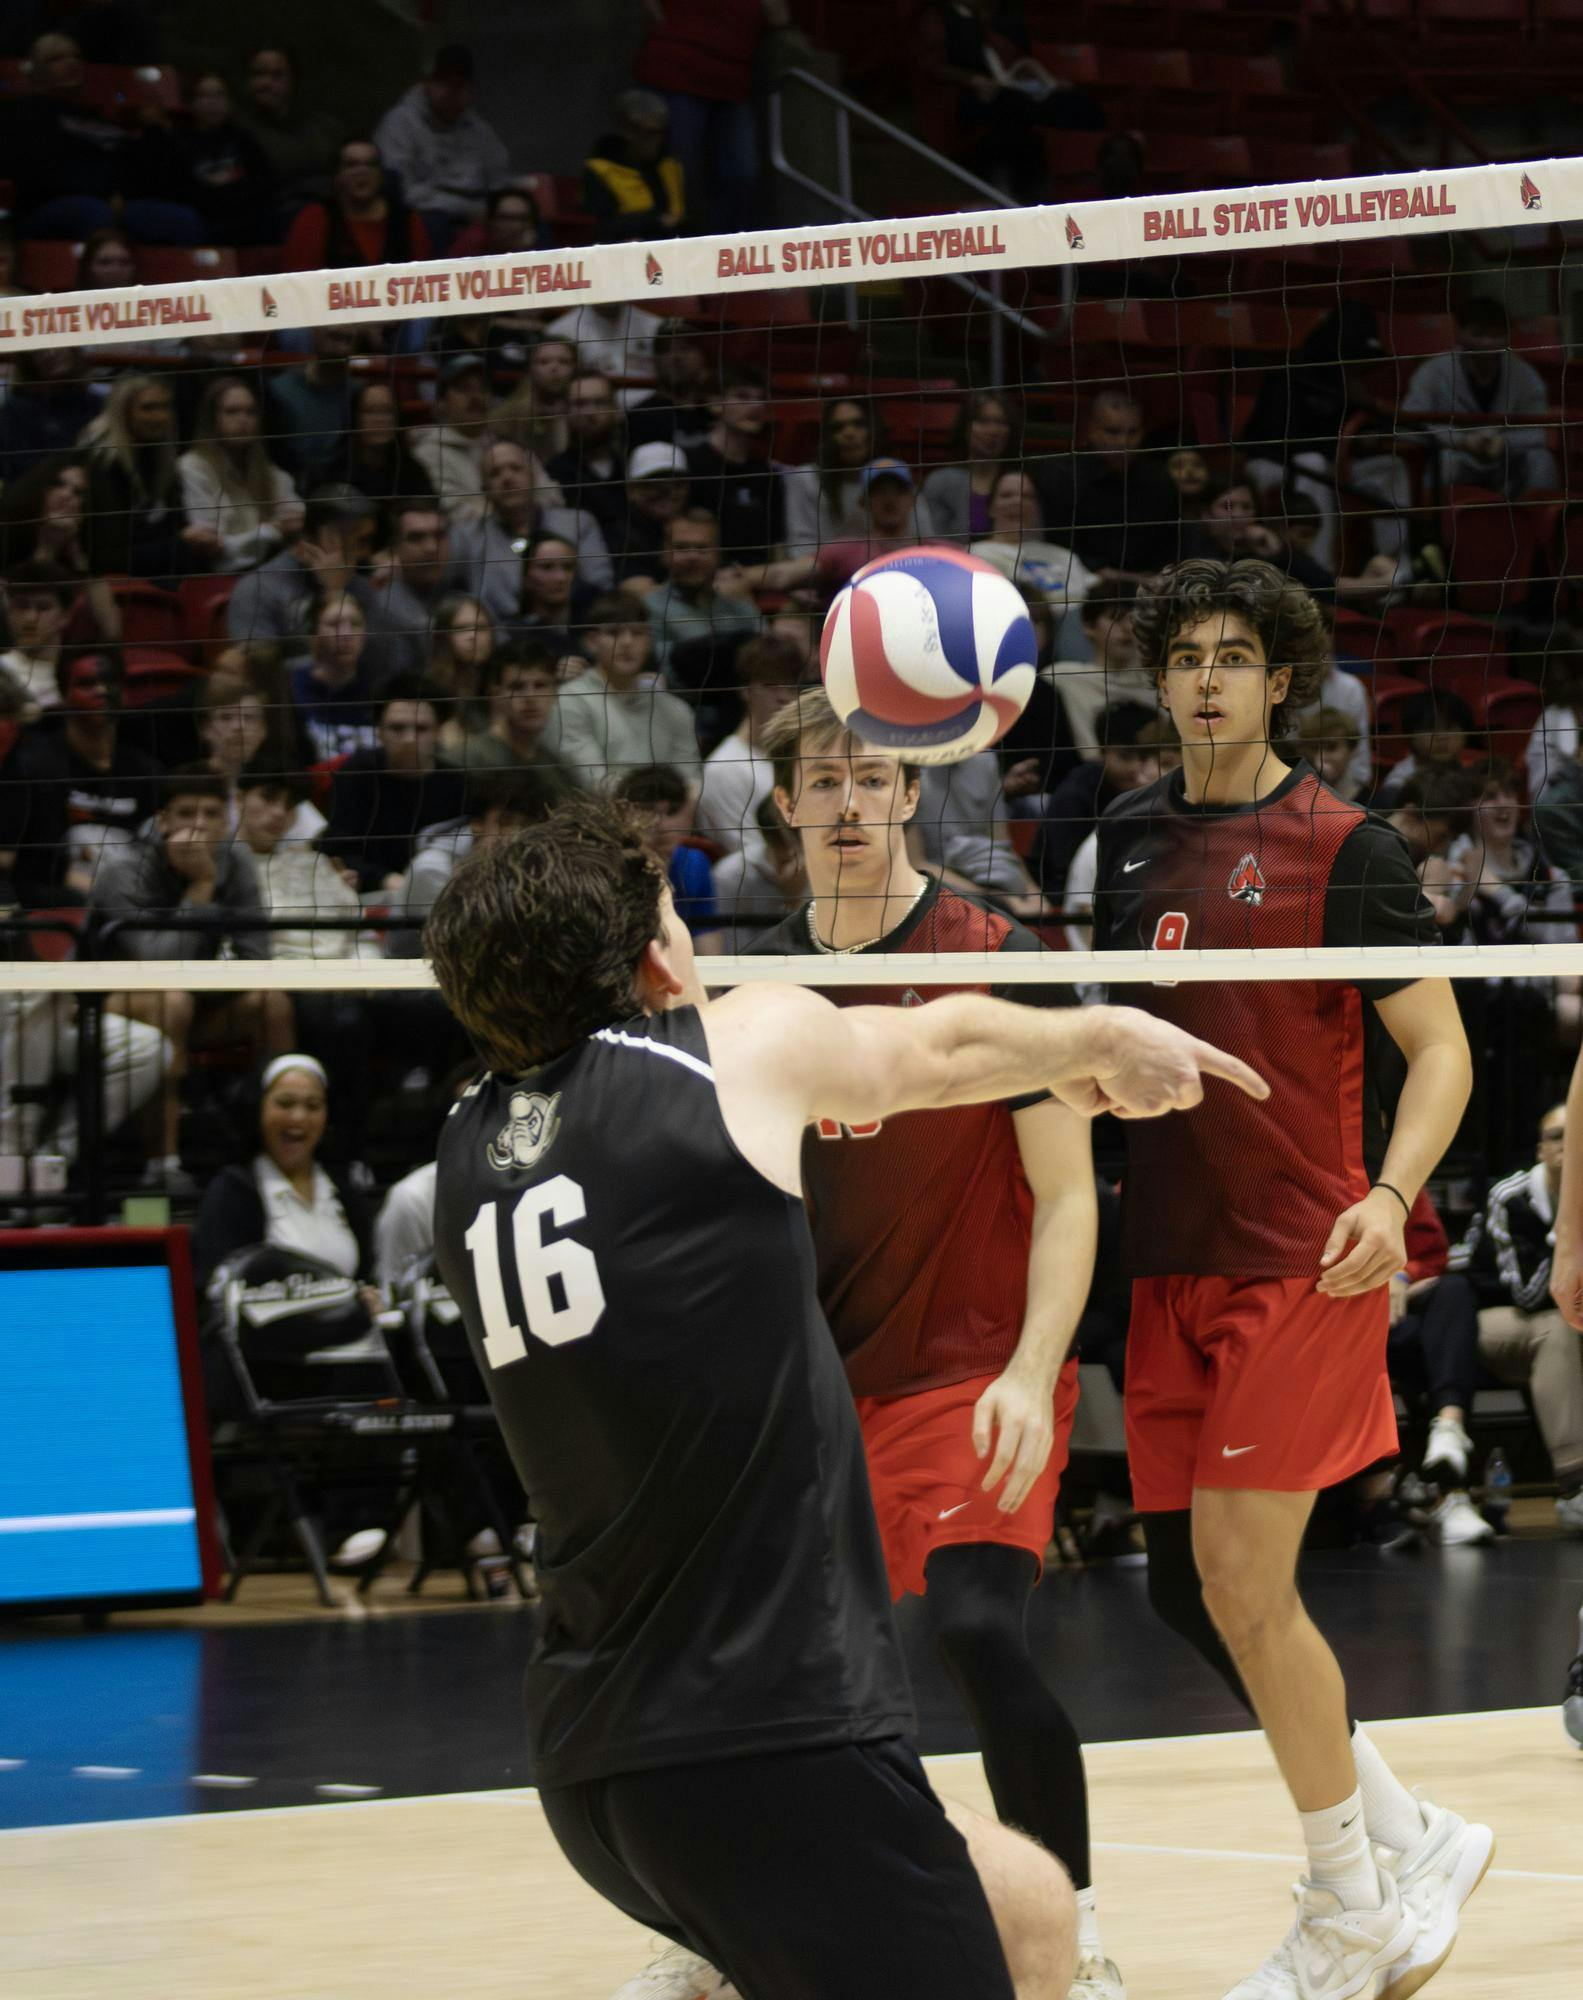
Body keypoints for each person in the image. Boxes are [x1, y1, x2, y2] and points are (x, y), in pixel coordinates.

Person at [426, 790, 1260, 2000]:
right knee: (999, 1941)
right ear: (657, 962)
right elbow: (935, 1049)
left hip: (587, 1749)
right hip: (765, 1736)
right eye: (679, 922)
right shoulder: (727, 1049)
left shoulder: (463, 1151)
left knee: (1025, 1906)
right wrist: (1100, 1035)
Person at [1090, 556, 1488, 2000]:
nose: (1206, 678)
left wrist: (1389, 1197)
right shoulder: (1122, 840)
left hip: (1294, 1259)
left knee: (1243, 1582)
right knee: (1182, 1593)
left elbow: (1439, 1052)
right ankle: (1411, 1835)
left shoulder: (1342, 844)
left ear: (1279, 680)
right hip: (1163, 1257)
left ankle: (1351, 1906)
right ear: (1159, 678)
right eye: (1185, 655)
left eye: (1233, 656)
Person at [733, 682, 1119, 1996]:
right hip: (827, 1389)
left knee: (973, 1627)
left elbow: (1066, 1195)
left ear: (909, 793)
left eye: (870, 777)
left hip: (976, 1369)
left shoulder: (991, 952)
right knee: (774, 1680)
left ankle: (1076, 1939)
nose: (847, 801)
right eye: (821, 781)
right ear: (785, 806)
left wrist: (1029, 1370)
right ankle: (739, 1938)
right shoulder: (758, 992)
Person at [91, 765, 292, 1189]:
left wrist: (218, 982)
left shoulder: (236, 860)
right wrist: (201, 887)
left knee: (270, 1002)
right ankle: (162, 1163)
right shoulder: (123, 868)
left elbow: (257, 956)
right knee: (171, 1000)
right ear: (163, 820)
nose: (197, 826)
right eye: (185, 814)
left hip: (196, 999)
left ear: (228, 820)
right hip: (108, 1006)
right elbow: (157, 962)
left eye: (211, 814)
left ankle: (276, 1154)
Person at [1450, 1102, 1583, 1536]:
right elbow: (1527, 1295)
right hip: (1489, 1315)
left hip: (1565, 1314)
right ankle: (1575, 1486)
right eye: (1557, 1136)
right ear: (1541, 1149)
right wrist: (1565, 1233)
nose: (1567, 1144)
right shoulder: (1511, 1196)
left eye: (1576, 1134)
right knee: (1556, 1330)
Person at [192, 1052, 377, 1293]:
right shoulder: (233, 1191)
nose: (298, 1117)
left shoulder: (343, 1190)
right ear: (258, 1108)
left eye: (313, 1106)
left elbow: (365, 1278)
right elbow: (215, 1291)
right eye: (285, 1103)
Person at [0, 29, 203, 244]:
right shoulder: (22, 114)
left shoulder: (99, 119)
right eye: (55, 59)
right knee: (93, 212)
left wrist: (154, 129)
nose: (71, 63)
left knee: (183, 220)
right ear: (36, 70)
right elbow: (41, 172)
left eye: (76, 56)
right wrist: (107, 192)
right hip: (50, 206)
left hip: (112, 202)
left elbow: (134, 166)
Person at [0, 652, 163, 910]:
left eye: (110, 682)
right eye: (87, 684)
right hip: (52, 903)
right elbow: (15, 862)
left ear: (124, 692)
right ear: (64, 695)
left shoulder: (146, 770)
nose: (101, 691)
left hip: (130, 901)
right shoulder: (31, 766)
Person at [319, 675, 467, 893]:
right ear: (379, 730)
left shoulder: (458, 784)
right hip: (371, 895)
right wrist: (383, 879)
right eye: (398, 728)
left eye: (421, 729)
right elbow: (337, 851)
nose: (409, 739)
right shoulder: (355, 774)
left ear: (438, 732)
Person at [1402, 296, 1560, 500]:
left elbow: (1538, 431)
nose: (1487, 343)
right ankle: (1436, 520)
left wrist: (1504, 443)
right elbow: (1410, 427)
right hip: (1455, 454)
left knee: (1541, 461)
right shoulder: (1432, 371)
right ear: (1460, 334)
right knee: (1444, 465)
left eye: (1496, 335)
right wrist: (1462, 441)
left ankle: (1539, 519)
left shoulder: (1525, 374)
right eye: (1479, 334)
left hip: (1507, 458)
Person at [450, 439, 608, 627]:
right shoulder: (467, 538)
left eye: (516, 468)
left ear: (533, 476)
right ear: (484, 488)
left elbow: (601, 588)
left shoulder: (578, 524)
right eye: (495, 473)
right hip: (499, 638)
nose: (507, 479)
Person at [81, 374, 220, 581]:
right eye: (148, 408)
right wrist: (182, 542)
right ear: (123, 413)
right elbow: (108, 558)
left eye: (165, 407)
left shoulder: (160, 460)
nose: (160, 417)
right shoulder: (102, 466)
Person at [557, 590, 700, 790]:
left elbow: (691, 783)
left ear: (649, 640)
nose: (627, 642)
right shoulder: (570, 700)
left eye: (637, 633)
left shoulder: (676, 710)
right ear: (592, 642)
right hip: (601, 810)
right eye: (614, 633)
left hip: (668, 808)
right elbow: (594, 782)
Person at [374, 44, 508, 254]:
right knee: (431, 224)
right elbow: (401, 191)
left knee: (521, 221)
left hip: (478, 217)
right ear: (427, 83)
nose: (452, 92)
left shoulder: (479, 129)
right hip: (425, 215)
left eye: (460, 85)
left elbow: (499, 183)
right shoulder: (400, 123)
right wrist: (465, 208)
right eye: (444, 83)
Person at [1034, 392, 1183, 578]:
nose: (1123, 442)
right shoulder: (1061, 478)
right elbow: (1057, 548)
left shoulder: (1159, 480)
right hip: (1079, 582)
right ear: (1091, 430)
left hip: (1152, 584)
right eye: (1112, 432)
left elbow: (1171, 546)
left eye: (1132, 432)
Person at [226, 483, 378, 663]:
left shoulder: (357, 584)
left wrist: (336, 592)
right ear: (313, 538)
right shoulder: (257, 589)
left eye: (371, 540)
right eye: (360, 541)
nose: (367, 553)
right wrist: (334, 595)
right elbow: (261, 670)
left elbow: (375, 660)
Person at [177, 375, 305, 576]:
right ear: (212, 418)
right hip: (217, 578)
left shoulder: (267, 470)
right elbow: (218, 550)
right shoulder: (193, 466)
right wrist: (273, 531)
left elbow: (297, 518)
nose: (243, 420)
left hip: (269, 572)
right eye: (232, 412)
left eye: (250, 412)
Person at [693, 633, 800, 853]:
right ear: (746, 691)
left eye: (791, 686)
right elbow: (753, 856)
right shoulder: (724, 769)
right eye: (770, 685)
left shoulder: (803, 756)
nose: (784, 696)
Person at [638, 508, 761, 693]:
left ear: (718, 554)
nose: (692, 557)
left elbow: (767, 660)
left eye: (702, 548)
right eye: (681, 547)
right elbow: (668, 674)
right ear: (665, 554)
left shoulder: (738, 603)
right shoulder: (649, 607)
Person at [282, 135, 432, 273]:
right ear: (337, 175)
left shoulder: (407, 220)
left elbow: (426, 277)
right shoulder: (314, 219)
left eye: (371, 164)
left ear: (381, 174)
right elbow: (297, 281)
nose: (362, 171)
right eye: (351, 165)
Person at [685, 366, 786, 568]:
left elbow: (777, 543)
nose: (756, 406)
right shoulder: (690, 464)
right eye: (743, 396)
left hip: (759, 575)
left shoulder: (767, 473)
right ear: (715, 403)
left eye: (761, 398)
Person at [613, 763, 722, 950]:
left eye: (672, 811)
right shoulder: (607, 866)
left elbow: (706, 936)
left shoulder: (694, 863)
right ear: (622, 813)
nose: (662, 825)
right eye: (648, 810)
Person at [233, 43, 345, 221]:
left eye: (277, 75)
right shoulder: (237, 131)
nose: (266, 83)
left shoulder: (323, 127)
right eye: (258, 74)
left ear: (292, 81)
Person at [1048, 579, 1155, 762]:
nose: (1128, 628)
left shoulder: (1160, 682)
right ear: (1089, 626)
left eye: (1135, 619)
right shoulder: (1063, 677)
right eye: (1115, 617)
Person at [169, 71, 280, 246]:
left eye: (219, 95)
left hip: (243, 218)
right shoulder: (177, 142)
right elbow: (180, 189)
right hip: (204, 221)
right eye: (204, 96)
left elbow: (263, 181)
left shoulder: (242, 139)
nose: (213, 103)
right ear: (190, 102)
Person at [365, 499, 469, 680]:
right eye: (416, 538)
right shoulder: (381, 607)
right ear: (394, 548)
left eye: (439, 536)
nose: (431, 548)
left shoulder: (464, 592)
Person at [970, 470, 1096, 613]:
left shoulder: (1065, 557)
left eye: (1027, 496)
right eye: (1007, 495)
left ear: (1037, 508)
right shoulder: (972, 555)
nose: (1018, 502)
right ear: (990, 508)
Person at [462, 644, 579, 787]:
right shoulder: (468, 761)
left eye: (540, 685)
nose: (530, 697)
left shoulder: (557, 768)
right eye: (517, 687)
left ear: (555, 693)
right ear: (495, 695)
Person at [319, 378, 436, 519]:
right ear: (355, 418)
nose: (379, 419)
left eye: (387, 411)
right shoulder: (332, 471)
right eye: (370, 411)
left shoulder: (412, 470)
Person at [582, 88, 686, 241]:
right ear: (627, 130)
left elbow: (689, 217)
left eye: (662, 132)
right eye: (650, 133)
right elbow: (601, 225)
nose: (657, 141)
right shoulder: (600, 169)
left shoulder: (670, 165)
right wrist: (654, 221)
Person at [291, 590, 382, 761]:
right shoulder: (291, 691)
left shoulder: (381, 690)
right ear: (313, 633)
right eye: (334, 624)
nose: (346, 634)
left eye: (355, 624)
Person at [921, 392, 1022, 544]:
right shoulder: (940, 482)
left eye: (1001, 422)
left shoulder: (1020, 483)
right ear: (965, 428)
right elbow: (932, 539)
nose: (993, 431)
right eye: (983, 421)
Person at [264, 326, 360, 487]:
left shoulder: (359, 394)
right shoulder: (279, 391)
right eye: (334, 337)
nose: (339, 348)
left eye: (347, 339)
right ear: (314, 334)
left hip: (342, 486)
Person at [547, 372, 629, 551]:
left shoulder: (632, 467)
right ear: (564, 411)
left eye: (600, 402)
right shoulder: (554, 475)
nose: (590, 413)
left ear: (615, 409)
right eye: (580, 404)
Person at [0, 351, 103, 487]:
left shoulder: (98, 404)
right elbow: (21, 472)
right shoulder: (17, 409)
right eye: (39, 352)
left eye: (56, 344)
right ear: (28, 362)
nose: (50, 354)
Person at [624, 321, 717, 454]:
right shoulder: (641, 416)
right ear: (655, 360)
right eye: (665, 350)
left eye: (685, 348)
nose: (676, 356)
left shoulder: (718, 412)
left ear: (702, 356)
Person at [0, 560, 76, 718]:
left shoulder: (80, 674)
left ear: (66, 615)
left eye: (43, 607)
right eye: (22, 606)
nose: (30, 617)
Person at [610, 441, 692, 586]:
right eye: (653, 483)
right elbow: (639, 590)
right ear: (631, 489)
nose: (667, 490)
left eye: (677, 483)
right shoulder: (621, 536)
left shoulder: (700, 527)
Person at [448, 182, 542, 262]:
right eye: (505, 218)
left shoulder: (541, 243)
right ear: (491, 220)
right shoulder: (472, 242)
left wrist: (525, 250)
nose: (513, 225)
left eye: (521, 218)